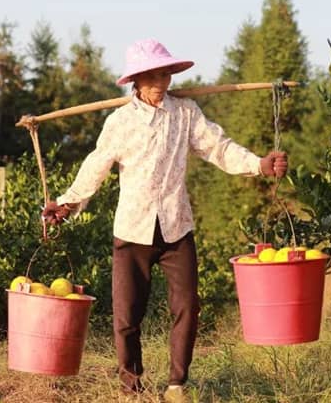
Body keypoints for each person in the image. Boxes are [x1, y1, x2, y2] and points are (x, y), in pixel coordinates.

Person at [43, 38, 288, 402]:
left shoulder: (185, 113)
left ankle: (177, 384)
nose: (163, 80)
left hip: (176, 226)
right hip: (132, 229)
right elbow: (95, 165)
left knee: (187, 305)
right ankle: (131, 386)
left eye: (166, 72)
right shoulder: (120, 121)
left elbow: (218, 147)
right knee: (127, 316)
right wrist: (67, 203)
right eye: (155, 74)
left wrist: (258, 164)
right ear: (137, 80)